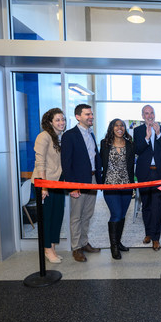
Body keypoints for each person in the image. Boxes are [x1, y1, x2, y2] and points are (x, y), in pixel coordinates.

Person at [61, 104, 102, 262]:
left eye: (91, 114)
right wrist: (72, 185)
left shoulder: (91, 134)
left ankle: (84, 243)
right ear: (78, 117)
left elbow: (94, 158)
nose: (91, 116)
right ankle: (76, 248)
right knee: (76, 216)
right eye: (87, 114)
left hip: (92, 180)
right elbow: (67, 163)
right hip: (78, 182)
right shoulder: (69, 136)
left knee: (87, 214)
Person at [134, 105, 161, 251]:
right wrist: (147, 138)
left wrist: (158, 134)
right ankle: (148, 233)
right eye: (146, 113)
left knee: (157, 205)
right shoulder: (137, 131)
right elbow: (137, 150)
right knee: (146, 205)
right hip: (144, 173)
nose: (149, 116)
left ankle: (156, 237)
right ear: (142, 116)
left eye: (151, 113)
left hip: (159, 173)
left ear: (154, 115)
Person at [31, 108, 66, 264]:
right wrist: (44, 186)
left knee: (57, 217)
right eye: (57, 120)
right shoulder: (43, 136)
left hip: (57, 183)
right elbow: (40, 162)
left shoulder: (58, 137)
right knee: (47, 219)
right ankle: (46, 249)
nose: (61, 122)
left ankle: (52, 247)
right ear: (50, 122)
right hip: (44, 184)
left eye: (63, 119)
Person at [100, 118, 135, 260]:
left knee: (122, 215)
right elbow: (99, 162)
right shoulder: (105, 144)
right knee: (116, 214)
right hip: (110, 185)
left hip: (127, 185)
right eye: (116, 125)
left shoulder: (130, 144)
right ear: (112, 128)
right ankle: (113, 247)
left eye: (122, 126)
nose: (119, 128)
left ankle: (118, 242)